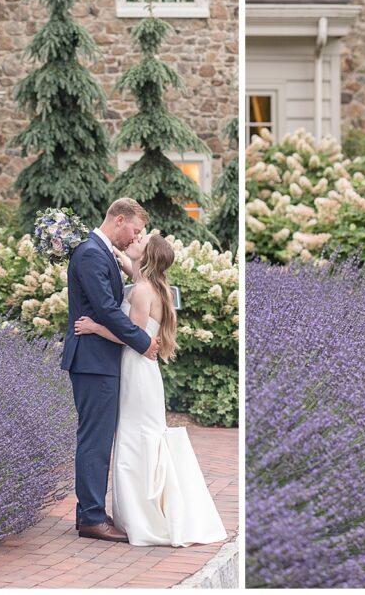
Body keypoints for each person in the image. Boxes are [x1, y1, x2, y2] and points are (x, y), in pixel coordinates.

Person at [75, 233, 227, 547]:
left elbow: (129, 334)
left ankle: (143, 516)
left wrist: (94, 327)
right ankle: (140, 512)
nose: (137, 238)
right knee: (138, 435)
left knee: (135, 437)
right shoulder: (151, 283)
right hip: (140, 370)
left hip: (135, 369)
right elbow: (136, 273)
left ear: (148, 257)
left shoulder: (144, 291)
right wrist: (119, 255)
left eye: (142, 241)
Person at [61, 198, 158, 543]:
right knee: (95, 440)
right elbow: (105, 309)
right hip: (92, 360)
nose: (135, 237)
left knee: (99, 439)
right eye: (135, 230)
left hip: (100, 358)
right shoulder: (90, 253)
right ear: (120, 220)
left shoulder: (101, 252)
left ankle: (92, 512)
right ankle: (90, 518)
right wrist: (142, 341)